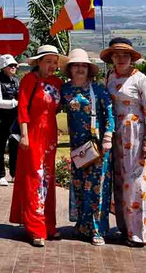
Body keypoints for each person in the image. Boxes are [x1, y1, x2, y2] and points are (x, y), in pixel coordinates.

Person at [101, 37, 146, 247]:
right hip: (115, 133)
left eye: (125, 55)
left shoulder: (140, 79)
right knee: (118, 181)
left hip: (134, 134)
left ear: (131, 58)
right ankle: (124, 228)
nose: (121, 58)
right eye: (117, 55)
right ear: (112, 58)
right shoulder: (110, 77)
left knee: (134, 183)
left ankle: (138, 234)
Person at [9, 45, 66, 247]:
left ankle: (48, 225)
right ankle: (35, 229)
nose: (52, 65)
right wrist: (24, 135)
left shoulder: (58, 83)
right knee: (35, 179)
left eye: (55, 62)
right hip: (32, 135)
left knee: (48, 180)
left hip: (50, 135)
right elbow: (22, 109)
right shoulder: (29, 81)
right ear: (39, 62)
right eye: (48, 61)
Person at [59, 48, 114, 246]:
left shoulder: (98, 90)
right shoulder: (65, 90)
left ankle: (97, 230)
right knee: (80, 186)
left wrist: (108, 136)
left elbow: (109, 115)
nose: (80, 69)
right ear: (71, 69)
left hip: (98, 148)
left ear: (89, 69)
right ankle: (83, 226)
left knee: (97, 189)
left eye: (84, 65)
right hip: (78, 149)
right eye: (76, 65)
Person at [0, 54, 20, 186]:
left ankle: (14, 173)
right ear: (4, 67)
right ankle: (1, 175)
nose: (14, 67)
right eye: (11, 65)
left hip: (15, 119)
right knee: (0, 147)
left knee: (15, 146)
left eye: (15, 65)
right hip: (2, 119)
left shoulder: (16, 81)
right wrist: (15, 103)